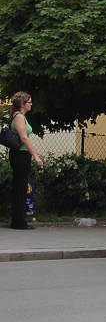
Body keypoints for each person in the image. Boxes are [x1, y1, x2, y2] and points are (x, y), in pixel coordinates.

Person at [8, 92, 43, 230]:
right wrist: (35, 155)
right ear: (22, 104)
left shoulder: (21, 117)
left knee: (21, 187)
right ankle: (19, 222)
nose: (31, 104)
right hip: (20, 155)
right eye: (29, 102)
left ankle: (19, 220)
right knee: (20, 187)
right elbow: (23, 138)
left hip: (22, 155)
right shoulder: (19, 117)